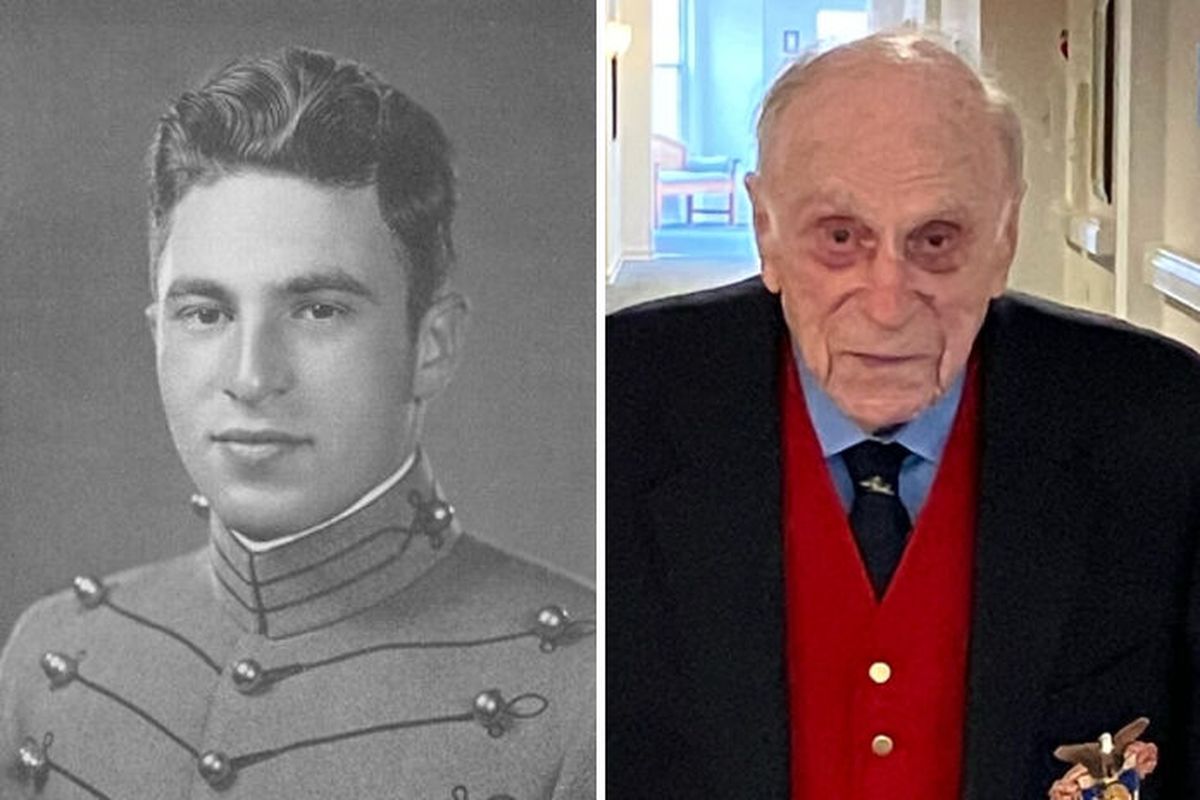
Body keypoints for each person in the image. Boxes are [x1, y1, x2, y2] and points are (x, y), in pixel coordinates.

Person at [608, 31, 1200, 799]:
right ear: (766, 232)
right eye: (840, 237)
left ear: (1005, 236)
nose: (888, 305)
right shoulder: (617, 402)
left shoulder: (1159, 420)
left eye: (937, 239)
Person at [0, 47, 593, 799]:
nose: (251, 377)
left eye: (319, 310)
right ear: (158, 334)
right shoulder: (50, 656)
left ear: (431, 347)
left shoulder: (585, 696)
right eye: (205, 313)